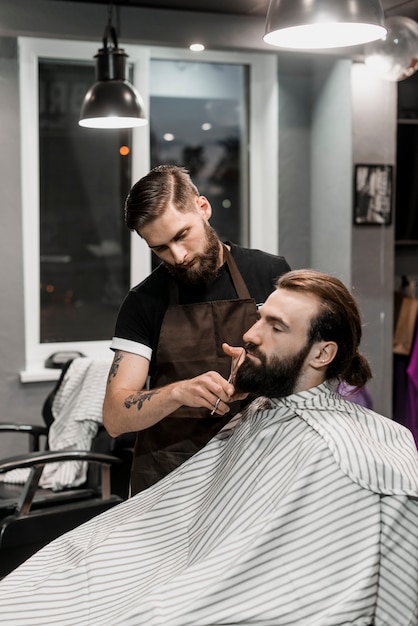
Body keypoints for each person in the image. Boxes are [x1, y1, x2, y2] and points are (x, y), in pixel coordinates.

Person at [0, 269, 417, 626]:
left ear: (324, 352)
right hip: (155, 557)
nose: (250, 336)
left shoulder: (354, 451)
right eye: (259, 319)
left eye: (276, 327)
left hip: (182, 587)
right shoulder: (261, 411)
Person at [102, 164, 291, 494]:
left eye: (181, 236)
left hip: (257, 466)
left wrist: (261, 372)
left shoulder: (270, 273)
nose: (177, 256)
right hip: (171, 479)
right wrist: (177, 393)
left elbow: (309, 368)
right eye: (160, 248)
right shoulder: (143, 301)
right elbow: (116, 417)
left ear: (203, 208)